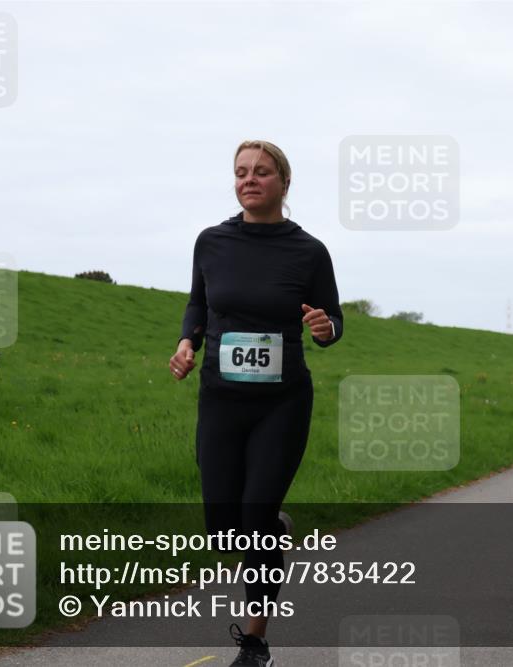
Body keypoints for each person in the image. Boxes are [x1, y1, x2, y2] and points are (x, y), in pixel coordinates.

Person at [169, 140, 343, 667]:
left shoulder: (308, 251)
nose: (249, 179)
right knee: (225, 530)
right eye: (242, 171)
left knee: (254, 518)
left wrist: (325, 328)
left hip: (281, 404)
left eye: (262, 172)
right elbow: (198, 302)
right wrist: (187, 343)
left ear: (284, 183)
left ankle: (255, 642)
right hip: (221, 400)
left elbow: (333, 320)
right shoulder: (211, 242)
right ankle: (273, 529)